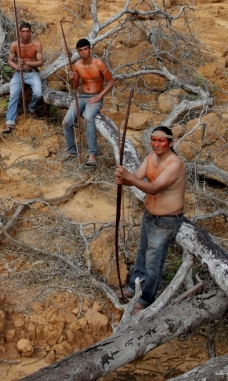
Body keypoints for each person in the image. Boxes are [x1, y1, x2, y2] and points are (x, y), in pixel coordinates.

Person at [115, 126, 186, 315]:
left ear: (170, 143)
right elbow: (136, 178)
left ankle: (146, 297)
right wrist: (124, 178)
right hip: (149, 216)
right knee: (142, 254)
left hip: (166, 220)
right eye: (154, 140)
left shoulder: (174, 164)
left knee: (154, 261)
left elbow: (154, 188)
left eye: (161, 141)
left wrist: (129, 178)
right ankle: (133, 287)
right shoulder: (150, 158)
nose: (156, 144)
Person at [63, 38, 115, 167]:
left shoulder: (99, 64)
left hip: (96, 96)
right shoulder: (77, 66)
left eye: (85, 49)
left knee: (88, 118)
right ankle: (72, 151)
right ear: (78, 52)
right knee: (66, 122)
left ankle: (92, 154)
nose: (83, 52)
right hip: (81, 97)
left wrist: (99, 96)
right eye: (80, 50)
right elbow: (74, 87)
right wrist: (72, 79)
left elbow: (111, 82)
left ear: (90, 50)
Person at [3, 21, 43, 133]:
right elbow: (9, 61)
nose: (25, 33)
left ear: (30, 32)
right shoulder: (15, 45)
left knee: (38, 94)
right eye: (23, 31)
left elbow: (40, 62)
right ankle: (10, 122)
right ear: (20, 32)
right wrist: (17, 67)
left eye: (27, 31)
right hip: (18, 74)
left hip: (33, 73)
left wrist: (27, 63)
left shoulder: (36, 45)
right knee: (14, 94)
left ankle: (31, 107)